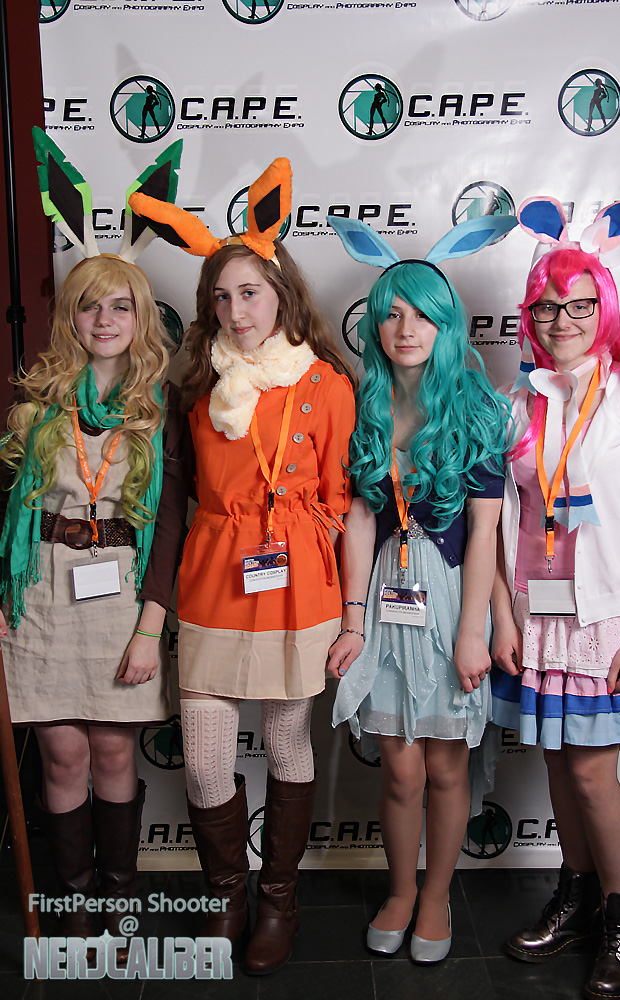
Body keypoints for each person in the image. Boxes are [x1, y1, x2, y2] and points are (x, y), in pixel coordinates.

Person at [130, 158, 357, 975]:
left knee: (289, 744)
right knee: (203, 757)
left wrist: (343, 602)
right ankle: (227, 892)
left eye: (250, 293)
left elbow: (342, 501)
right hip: (213, 578)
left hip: (297, 581)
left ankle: (279, 898)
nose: (235, 311)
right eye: (220, 298)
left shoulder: (326, 385)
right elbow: (176, 500)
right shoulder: (195, 385)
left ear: (282, 293)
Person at [326, 212, 514, 965]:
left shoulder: (476, 407)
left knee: (444, 765)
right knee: (400, 768)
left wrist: (473, 631)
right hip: (384, 596)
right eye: (392, 314)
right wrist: (351, 621)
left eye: (423, 316)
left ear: (446, 323)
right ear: (374, 324)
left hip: (451, 597)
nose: (406, 330)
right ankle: (400, 891)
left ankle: (437, 895)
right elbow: (358, 519)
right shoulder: (362, 405)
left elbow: (486, 532)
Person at [490, 198, 620, 1000]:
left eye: (578, 305)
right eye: (546, 306)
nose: (561, 321)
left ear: (607, 309)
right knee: (561, 769)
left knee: (593, 775)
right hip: (542, 616)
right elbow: (508, 516)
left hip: (606, 620)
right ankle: (576, 897)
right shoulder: (520, 398)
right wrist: (505, 615)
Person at [0, 253, 186, 948]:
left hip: (123, 597)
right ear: (69, 317)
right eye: (88, 305)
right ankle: (74, 899)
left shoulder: (163, 408)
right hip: (42, 591)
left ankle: (118, 894)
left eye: (119, 306)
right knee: (60, 756)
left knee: (111, 753)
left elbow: (172, 525)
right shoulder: (35, 404)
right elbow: (6, 512)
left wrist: (150, 627)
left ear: (140, 318)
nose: (103, 320)